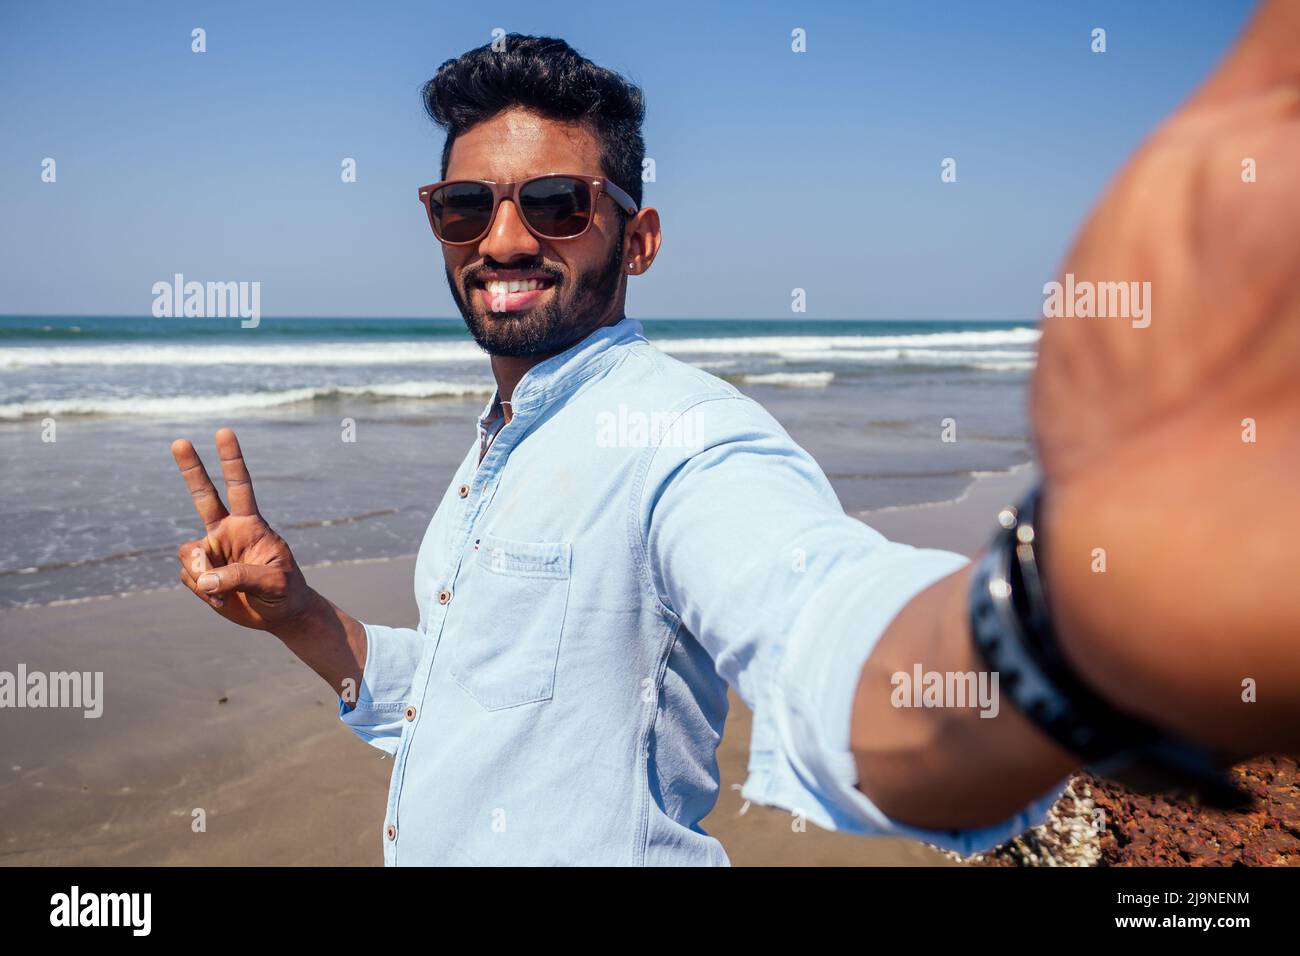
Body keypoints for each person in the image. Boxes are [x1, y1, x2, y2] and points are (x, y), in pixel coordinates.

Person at [169, 4, 1300, 865]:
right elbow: (473, 693)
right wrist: (306, 618)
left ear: (638, 237)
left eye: (555, 204)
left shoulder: (688, 437)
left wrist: (1079, 634)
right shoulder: (499, 440)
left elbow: (821, 623)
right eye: (465, 206)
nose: (501, 238)